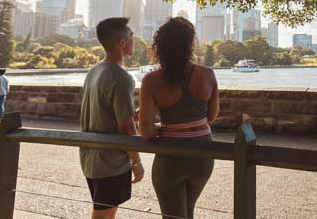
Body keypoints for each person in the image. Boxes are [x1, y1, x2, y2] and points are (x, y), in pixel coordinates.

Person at [139, 17, 219, 219]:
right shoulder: (208, 74)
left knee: (174, 216)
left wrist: (161, 128)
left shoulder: (151, 81)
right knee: (187, 212)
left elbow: (146, 131)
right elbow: (211, 117)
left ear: (160, 46)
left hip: (171, 159)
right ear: (190, 44)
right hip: (203, 157)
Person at [80, 17, 144, 219]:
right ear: (122, 42)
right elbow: (126, 129)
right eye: (132, 35)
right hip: (111, 162)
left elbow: (102, 111)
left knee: (106, 212)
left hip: (90, 158)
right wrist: (136, 162)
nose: (135, 39)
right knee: (104, 215)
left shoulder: (93, 71)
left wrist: (132, 115)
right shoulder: (121, 77)